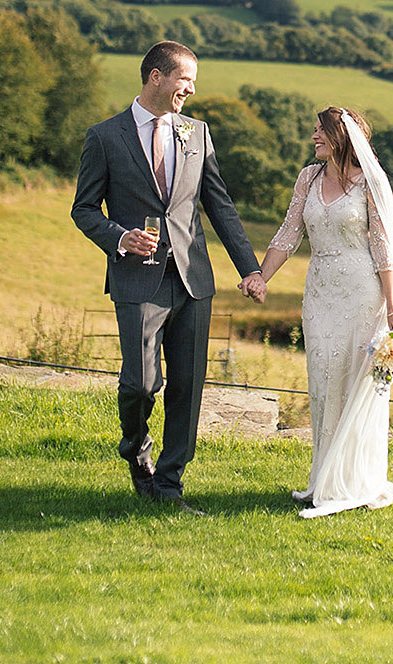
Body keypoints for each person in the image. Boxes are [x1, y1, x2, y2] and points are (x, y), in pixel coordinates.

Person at [72, 40, 267, 510]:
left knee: (188, 386)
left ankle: (169, 484)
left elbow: (218, 204)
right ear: (156, 77)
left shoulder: (197, 132)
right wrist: (120, 237)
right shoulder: (104, 136)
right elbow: (83, 209)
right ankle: (137, 451)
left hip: (194, 279)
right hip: (137, 278)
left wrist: (251, 269)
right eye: (185, 79)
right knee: (140, 383)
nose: (192, 89)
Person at [250, 106, 393, 518]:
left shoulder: (371, 184)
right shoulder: (308, 177)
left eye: (319, 130)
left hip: (361, 293)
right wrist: (261, 276)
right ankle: (323, 478)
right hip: (319, 293)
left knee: (353, 382)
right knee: (323, 380)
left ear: (340, 136)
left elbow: (384, 249)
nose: (313, 137)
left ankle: (354, 481)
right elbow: (289, 232)